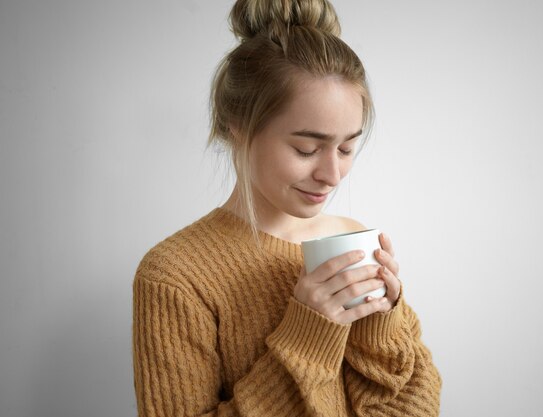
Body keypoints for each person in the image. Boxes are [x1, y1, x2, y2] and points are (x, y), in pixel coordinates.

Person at [132, 0, 442, 415]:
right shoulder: (175, 277)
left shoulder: (350, 236)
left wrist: (382, 324)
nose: (333, 174)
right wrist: (307, 334)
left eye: (347, 147)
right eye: (306, 148)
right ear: (237, 129)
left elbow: (416, 407)